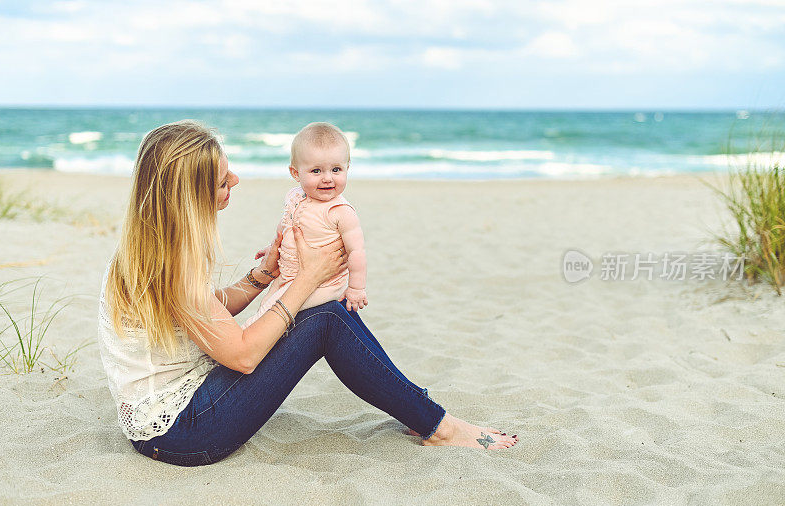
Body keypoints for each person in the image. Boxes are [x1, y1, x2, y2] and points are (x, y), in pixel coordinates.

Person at [97, 120, 518, 467]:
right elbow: (242, 356)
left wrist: (263, 277)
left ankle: (416, 408)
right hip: (184, 434)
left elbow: (204, 312)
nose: (236, 180)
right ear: (189, 194)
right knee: (325, 318)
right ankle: (437, 425)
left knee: (327, 311)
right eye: (223, 181)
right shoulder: (172, 264)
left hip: (179, 414)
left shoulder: (148, 246)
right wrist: (306, 279)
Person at [245, 122, 367, 328]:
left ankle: (250, 334)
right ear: (295, 173)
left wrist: (356, 288)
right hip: (289, 273)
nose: (328, 178)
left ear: (347, 168)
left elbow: (356, 251)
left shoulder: (340, 212)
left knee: (272, 313)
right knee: (267, 304)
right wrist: (276, 248)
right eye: (316, 171)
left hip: (324, 283)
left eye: (336, 169)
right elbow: (287, 225)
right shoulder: (295, 197)